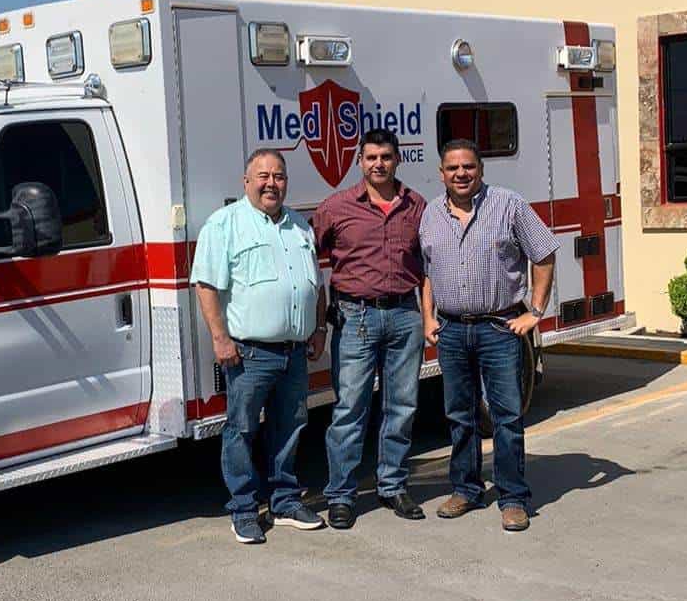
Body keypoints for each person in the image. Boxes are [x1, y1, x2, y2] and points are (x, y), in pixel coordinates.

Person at [191, 148, 328, 544]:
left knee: (289, 427)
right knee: (242, 431)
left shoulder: (300, 226)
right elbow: (206, 285)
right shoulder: (225, 224)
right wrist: (220, 338)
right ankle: (244, 509)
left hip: (294, 351)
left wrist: (318, 328)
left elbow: (314, 284)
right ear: (246, 181)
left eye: (279, 176)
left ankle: (285, 501)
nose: (272, 183)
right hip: (249, 353)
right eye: (263, 176)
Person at [419, 139, 556, 532]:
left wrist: (535, 311)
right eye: (452, 168)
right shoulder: (430, 214)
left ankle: (513, 497)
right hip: (451, 329)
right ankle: (466, 489)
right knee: (459, 415)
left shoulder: (508, 204)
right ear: (441, 173)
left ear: (481, 169)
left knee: (506, 417)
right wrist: (427, 317)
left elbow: (544, 253)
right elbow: (428, 271)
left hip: (499, 327)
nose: (461, 174)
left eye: (468, 167)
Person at [312, 128, 426, 530]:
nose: (379, 164)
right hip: (355, 316)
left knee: (402, 406)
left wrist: (428, 317)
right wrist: (319, 319)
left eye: (386, 157)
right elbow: (309, 259)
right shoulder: (337, 207)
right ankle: (341, 495)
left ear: (397, 160)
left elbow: (427, 265)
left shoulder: (417, 206)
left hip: (404, 316)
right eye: (371, 157)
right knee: (349, 410)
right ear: (360, 162)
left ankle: (392, 485)